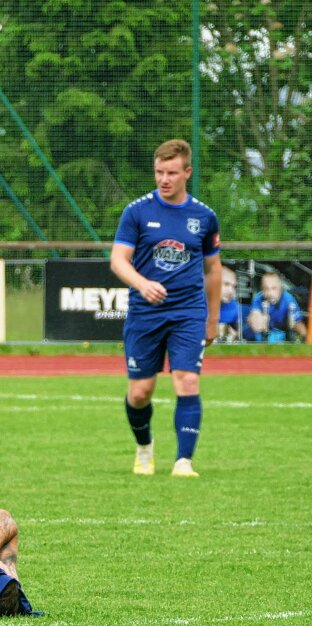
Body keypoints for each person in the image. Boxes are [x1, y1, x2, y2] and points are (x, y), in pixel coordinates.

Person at [110, 139, 222, 478]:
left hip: (188, 311)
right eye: (159, 172)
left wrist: (212, 319)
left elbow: (213, 270)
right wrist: (142, 284)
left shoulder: (204, 217)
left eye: (172, 172)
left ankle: (183, 461)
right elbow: (118, 260)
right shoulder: (137, 212)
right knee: (140, 392)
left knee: (187, 381)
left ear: (187, 172)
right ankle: (144, 447)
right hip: (145, 313)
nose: (164, 179)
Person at [246, 271, 307, 343]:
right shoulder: (258, 299)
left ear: (280, 288)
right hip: (265, 336)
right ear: (262, 288)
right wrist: (255, 321)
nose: (270, 293)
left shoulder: (289, 300)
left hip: (284, 336)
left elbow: (298, 323)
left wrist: (305, 338)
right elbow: (254, 315)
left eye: (274, 288)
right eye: (266, 288)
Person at [217, 265, 247, 342]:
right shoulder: (194, 305)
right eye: (226, 284)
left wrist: (235, 335)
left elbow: (239, 334)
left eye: (234, 286)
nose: (231, 291)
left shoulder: (235, 308)